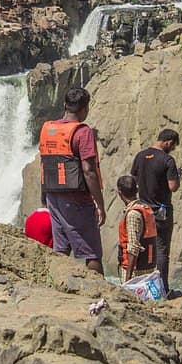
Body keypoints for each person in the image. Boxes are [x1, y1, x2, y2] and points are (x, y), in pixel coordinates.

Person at [39, 87, 105, 275]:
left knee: (61, 248)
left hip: (53, 195)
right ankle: (99, 293)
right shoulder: (83, 132)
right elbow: (89, 171)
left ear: (65, 105)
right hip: (77, 200)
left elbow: (44, 164)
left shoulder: (47, 129)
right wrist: (100, 204)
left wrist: (44, 197)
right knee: (92, 253)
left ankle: (57, 285)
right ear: (84, 109)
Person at [129, 128, 180, 292]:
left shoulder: (140, 156)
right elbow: (173, 186)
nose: (172, 149)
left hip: (142, 211)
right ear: (169, 142)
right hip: (161, 212)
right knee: (162, 251)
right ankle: (162, 288)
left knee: (142, 247)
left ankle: (138, 284)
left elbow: (133, 180)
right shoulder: (168, 160)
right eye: (173, 146)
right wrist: (177, 175)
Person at [115, 175, 156, 283]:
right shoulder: (145, 208)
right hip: (148, 265)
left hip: (135, 270)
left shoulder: (133, 214)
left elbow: (133, 246)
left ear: (120, 193)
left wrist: (128, 278)